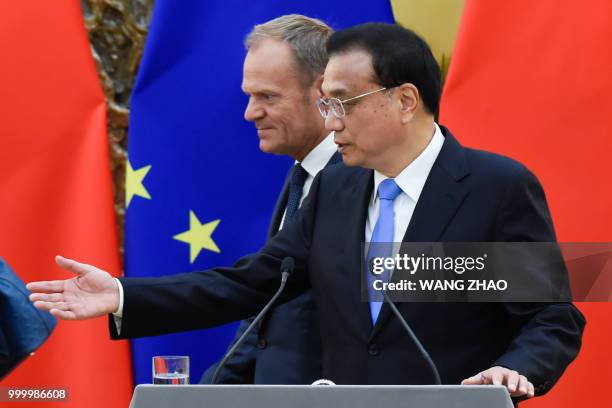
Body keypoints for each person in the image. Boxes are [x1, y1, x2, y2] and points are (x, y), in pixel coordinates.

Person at [27, 23, 585, 399]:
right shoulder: (336, 187)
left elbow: (550, 316)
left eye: (341, 101)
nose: (331, 119)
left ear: (405, 100)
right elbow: (253, 284)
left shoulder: (495, 187)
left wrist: (516, 370)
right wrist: (124, 295)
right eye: (324, 103)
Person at [199, 14, 339, 384]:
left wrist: (122, 296)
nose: (250, 113)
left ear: (323, 91)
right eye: (249, 96)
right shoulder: (301, 178)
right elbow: (266, 309)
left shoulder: (364, 180)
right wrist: (204, 395)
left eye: (267, 96)